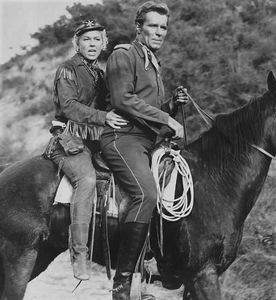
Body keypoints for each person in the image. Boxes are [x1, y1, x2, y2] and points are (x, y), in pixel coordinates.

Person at [100, 2, 188, 299]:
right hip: (122, 138)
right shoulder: (124, 54)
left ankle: (155, 269)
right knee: (147, 194)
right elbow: (123, 99)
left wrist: (171, 106)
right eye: (153, 26)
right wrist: (167, 118)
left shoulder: (154, 63)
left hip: (146, 140)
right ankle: (122, 283)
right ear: (139, 27)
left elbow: (147, 109)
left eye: (164, 27)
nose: (160, 32)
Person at [49, 20, 127, 281]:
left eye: (97, 39)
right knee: (87, 179)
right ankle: (79, 253)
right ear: (77, 43)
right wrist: (104, 117)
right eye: (86, 39)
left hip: (96, 140)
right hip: (69, 139)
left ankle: (141, 255)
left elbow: (115, 104)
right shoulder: (67, 70)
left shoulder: (101, 74)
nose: (92, 44)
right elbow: (69, 107)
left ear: (103, 43)